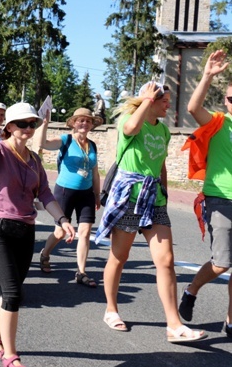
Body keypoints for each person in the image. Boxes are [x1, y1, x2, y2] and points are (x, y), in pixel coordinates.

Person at [0, 88, 75, 367]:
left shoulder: (34, 160)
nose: (29, 128)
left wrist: (62, 220)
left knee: (8, 290)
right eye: (23, 124)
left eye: (33, 123)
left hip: (25, 230)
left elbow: (46, 195)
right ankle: (10, 354)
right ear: (9, 127)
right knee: (14, 293)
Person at [94, 81, 206, 343]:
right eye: (163, 100)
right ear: (150, 101)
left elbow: (161, 165)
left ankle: (174, 325)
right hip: (128, 199)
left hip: (154, 200)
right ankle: (111, 309)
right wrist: (144, 100)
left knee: (166, 260)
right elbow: (131, 127)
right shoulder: (130, 123)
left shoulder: (165, 131)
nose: (168, 103)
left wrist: (164, 194)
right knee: (119, 257)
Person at [178, 49, 232, 339]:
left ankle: (230, 321)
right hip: (220, 199)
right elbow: (191, 108)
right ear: (225, 101)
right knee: (222, 262)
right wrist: (208, 75)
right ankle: (191, 290)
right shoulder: (218, 122)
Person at [37, 107, 102, 287]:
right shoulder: (65, 140)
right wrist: (45, 124)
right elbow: (43, 143)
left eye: (88, 121)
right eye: (80, 120)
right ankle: (45, 254)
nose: (84, 123)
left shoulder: (93, 145)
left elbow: (95, 173)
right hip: (65, 191)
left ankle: (81, 272)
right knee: (61, 232)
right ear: (73, 123)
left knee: (85, 232)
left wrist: (97, 194)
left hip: (86, 193)